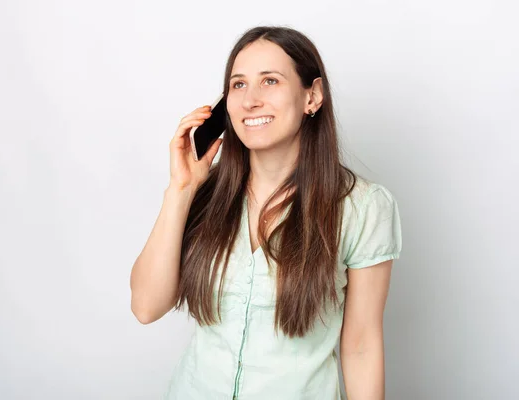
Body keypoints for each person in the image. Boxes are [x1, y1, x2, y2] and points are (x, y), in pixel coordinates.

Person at [130, 25, 402, 400]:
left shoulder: (363, 207)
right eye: (238, 85)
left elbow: (361, 346)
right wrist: (181, 190)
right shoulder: (205, 197)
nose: (249, 100)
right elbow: (146, 306)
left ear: (313, 96)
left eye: (270, 81)